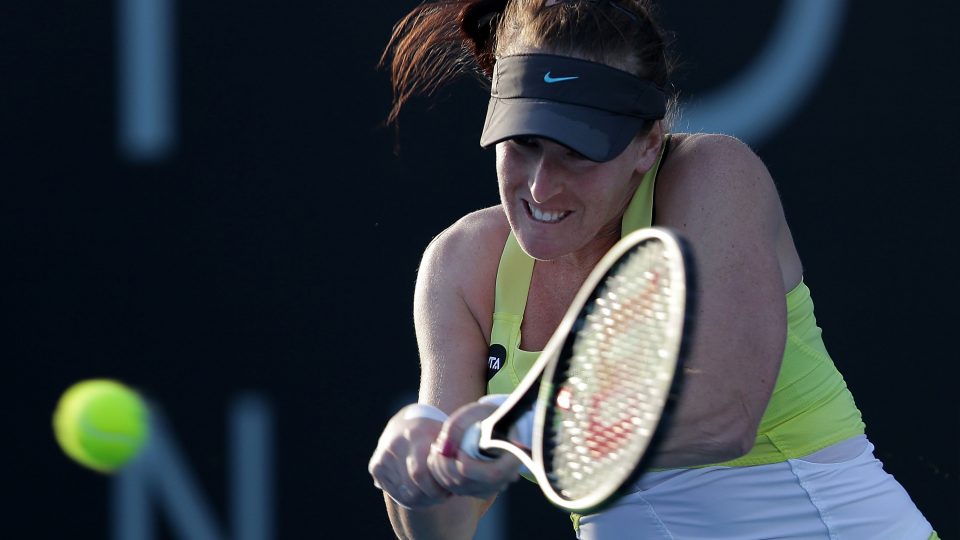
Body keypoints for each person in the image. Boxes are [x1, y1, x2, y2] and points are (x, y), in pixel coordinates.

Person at [367, 0, 939, 538]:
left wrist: (517, 426)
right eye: (524, 143)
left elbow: (725, 416)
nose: (541, 185)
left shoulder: (714, 174)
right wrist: (419, 474)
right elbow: (449, 524)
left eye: (579, 151)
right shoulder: (461, 263)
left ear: (647, 144)